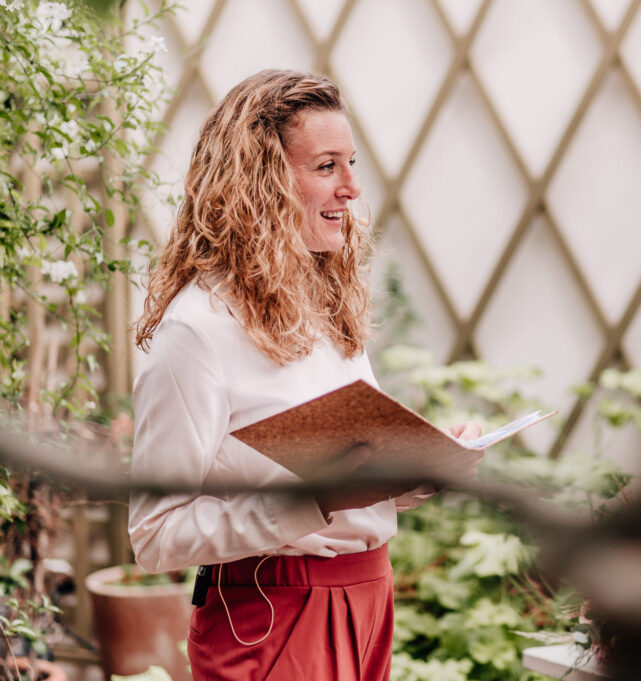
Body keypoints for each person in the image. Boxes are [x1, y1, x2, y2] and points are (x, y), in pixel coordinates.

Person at [128, 69, 482, 681]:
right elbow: (156, 534)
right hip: (276, 617)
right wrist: (309, 501)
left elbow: (353, 475)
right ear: (260, 184)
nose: (352, 187)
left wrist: (418, 466)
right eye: (326, 166)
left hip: (369, 597)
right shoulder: (197, 332)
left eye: (351, 163)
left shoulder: (323, 302)